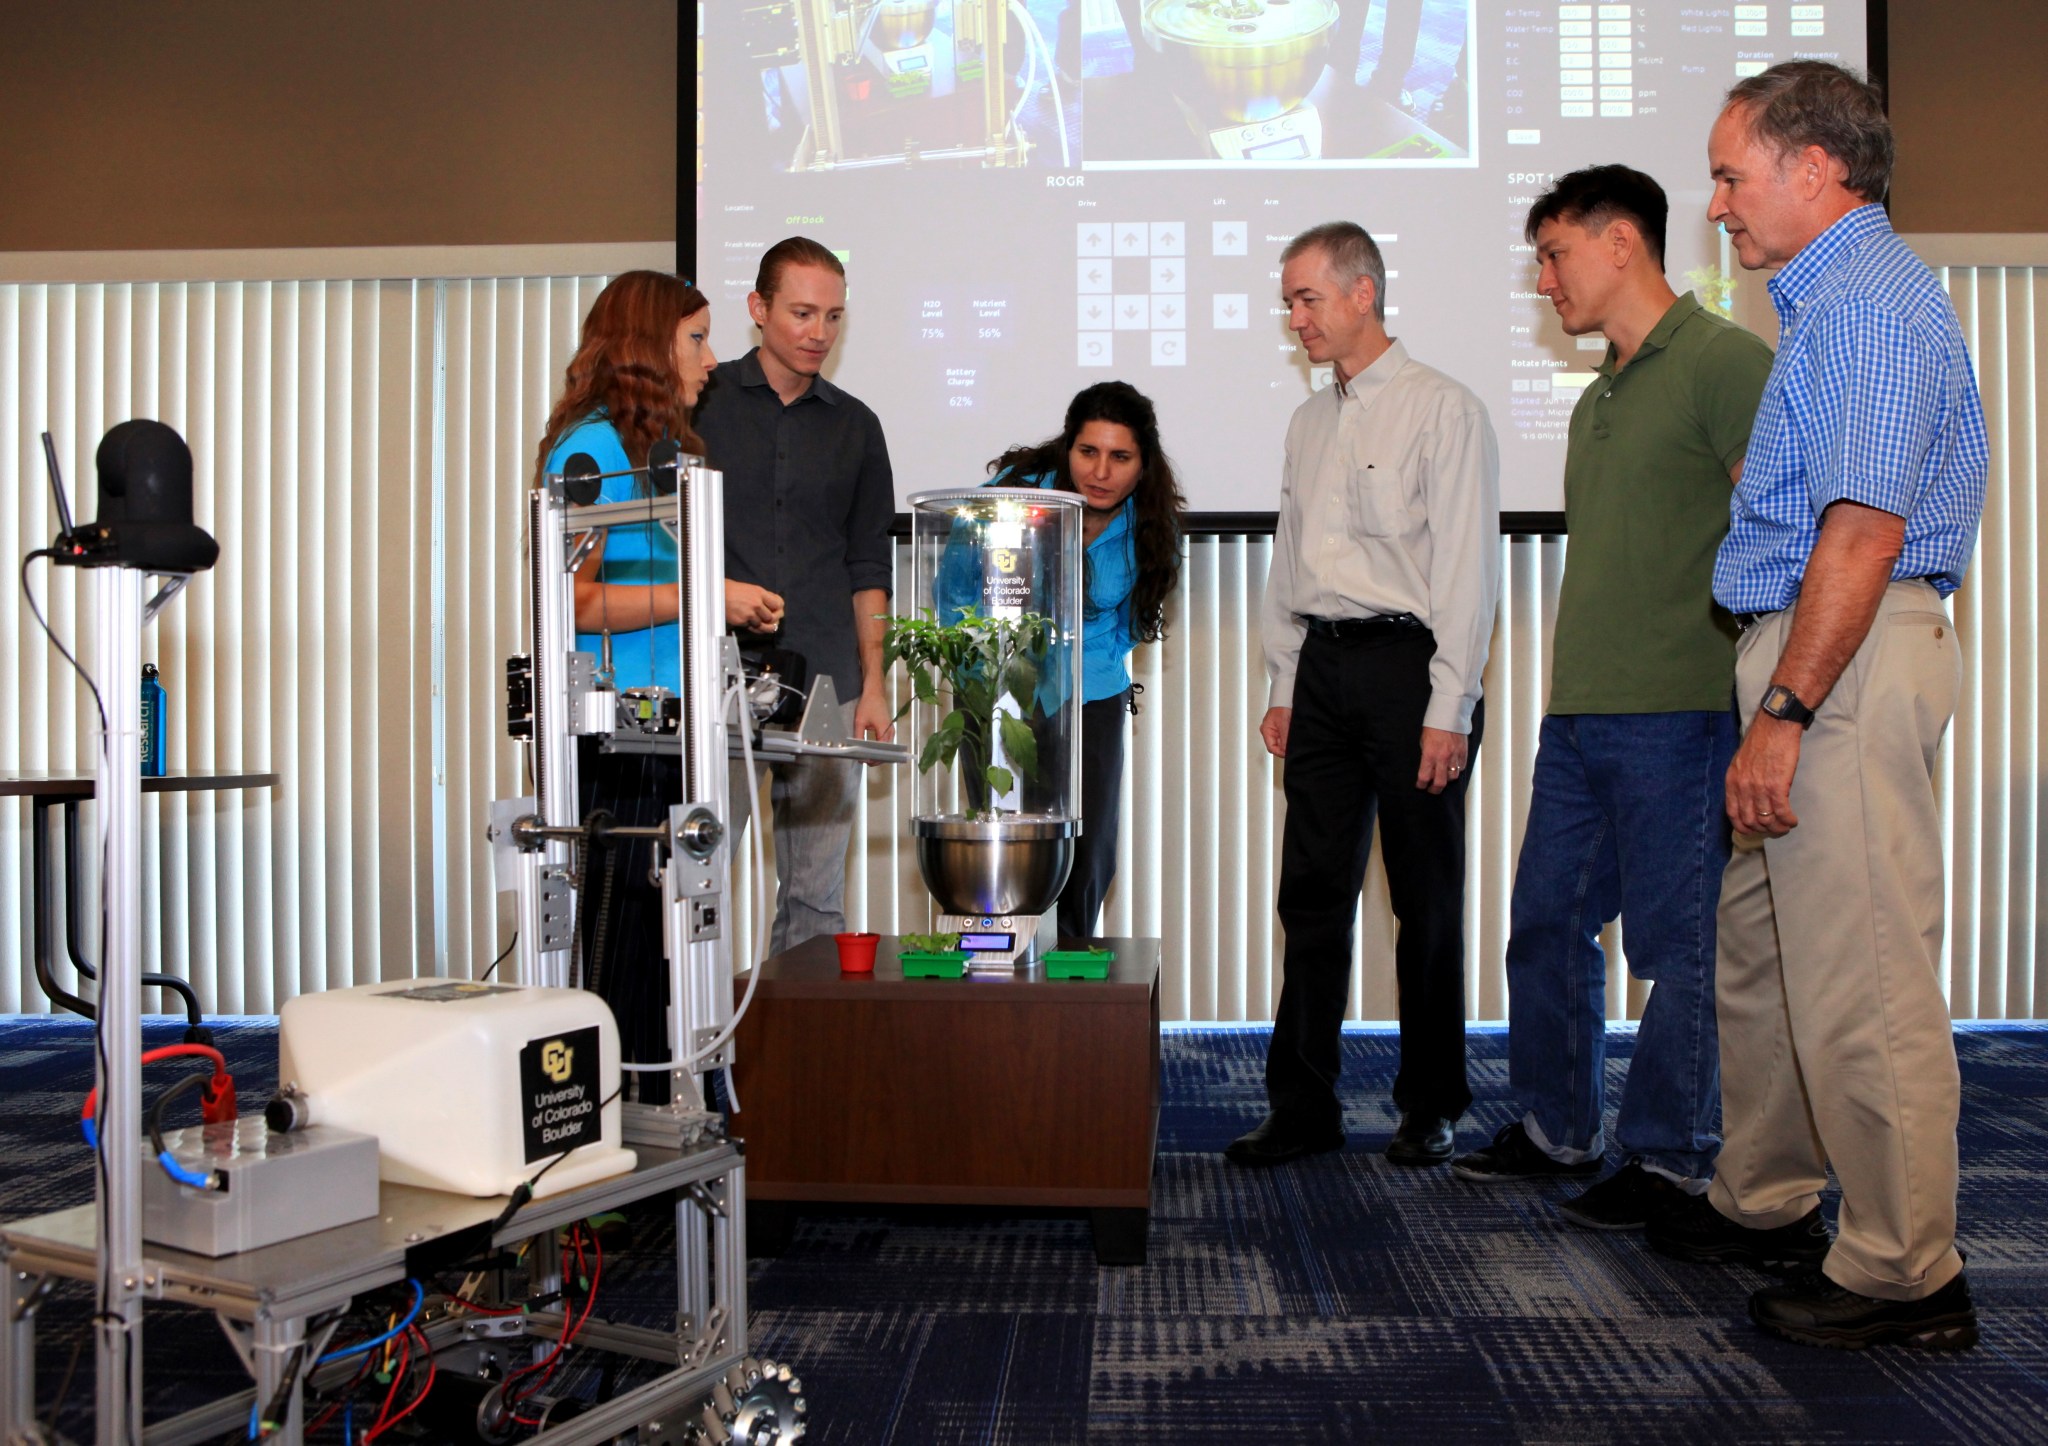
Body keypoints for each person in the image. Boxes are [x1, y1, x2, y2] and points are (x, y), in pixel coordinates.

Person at [1644, 61, 1989, 1353]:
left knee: (1863, 969)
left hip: (1837, 656)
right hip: (1809, 656)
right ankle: (1771, 1193)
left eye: (1732, 172)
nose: (1719, 201)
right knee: (1771, 952)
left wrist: (1787, 704)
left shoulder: (1863, 307)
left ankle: (1907, 1269)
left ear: (1815, 166)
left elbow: (1862, 526)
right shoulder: (1831, 302)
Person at [1447, 167, 1773, 1230]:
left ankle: (1672, 1155)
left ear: (1620, 241)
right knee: (1543, 923)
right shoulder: (1598, 396)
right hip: (1580, 712)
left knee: (1678, 950)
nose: (1543, 280)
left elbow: (1775, 531)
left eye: (1553, 255)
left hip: (1681, 710)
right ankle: (1556, 1126)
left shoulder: (1724, 363)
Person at [1227, 221, 1500, 1169]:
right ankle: (1302, 1104)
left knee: (1423, 898)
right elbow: (1292, 565)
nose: (1292, 317)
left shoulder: (1443, 410)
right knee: (1310, 894)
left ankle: (1432, 1103)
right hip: (1323, 671)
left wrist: (1448, 708)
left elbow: (1467, 573)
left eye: (1306, 299)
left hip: (1409, 672)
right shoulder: (1309, 421)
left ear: (1361, 296)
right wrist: (1284, 680)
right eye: (1288, 301)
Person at [532, 270, 725, 1097]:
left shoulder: (666, 453)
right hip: (618, 740)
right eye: (696, 339)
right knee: (622, 948)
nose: (712, 359)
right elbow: (570, 603)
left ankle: (658, 1118)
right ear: (651, 345)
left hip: (674, 727)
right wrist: (703, 595)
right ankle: (608, 1134)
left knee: (666, 942)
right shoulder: (591, 451)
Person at [693, 237, 896, 955]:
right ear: (758, 308)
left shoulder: (857, 427)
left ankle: (800, 1061)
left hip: (828, 689)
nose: (819, 333)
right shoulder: (701, 405)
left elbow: (869, 565)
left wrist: (874, 684)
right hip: (716, 683)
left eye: (834, 317)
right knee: (700, 882)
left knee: (816, 895)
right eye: (803, 313)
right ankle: (707, 1056)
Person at [976, 381, 1188, 938]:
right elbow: (959, 590)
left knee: (1089, 846)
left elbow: (1133, 624)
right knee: (1007, 843)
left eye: (1120, 457)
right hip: (1005, 687)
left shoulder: (1152, 525)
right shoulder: (1015, 493)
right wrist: (989, 677)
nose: (1100, 471)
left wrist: (1084, 667)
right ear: (1068, 447)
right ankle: (1000, 968)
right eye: (1088, 452)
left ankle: (1070, 973)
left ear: (1143, 464)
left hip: (1094, 691)